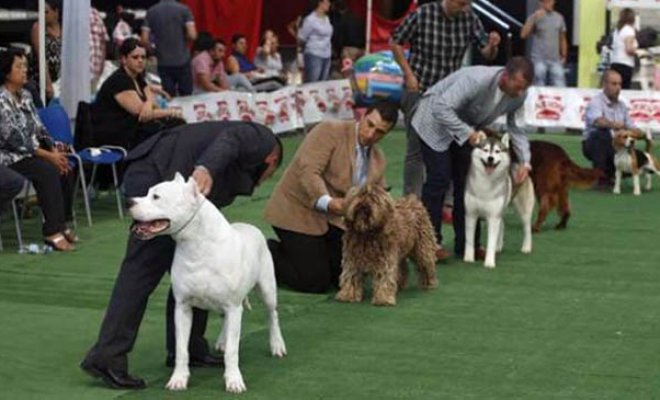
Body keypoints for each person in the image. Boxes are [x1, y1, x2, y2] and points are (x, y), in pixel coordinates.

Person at [80, 121, 283, 390]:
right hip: (157, 177)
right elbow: (231, 138)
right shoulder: (261, 137)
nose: (264, 181)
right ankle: (107, 357)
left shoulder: (241, 168)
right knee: (141, 270)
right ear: (272, 159)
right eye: (270, 174)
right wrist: (204, 168)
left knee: (194, 267)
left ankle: (190, 349)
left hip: (170, 189)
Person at [264, 102, 399, 294]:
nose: (371, 135)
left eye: (379, 132)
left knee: (342, 277)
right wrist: (328, 202)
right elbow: (308, 172)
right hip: (297, 210)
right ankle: (265, 252)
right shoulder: (329, 131)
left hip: (334, 220)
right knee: (314, 282)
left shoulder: (378, 159)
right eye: (370, 124)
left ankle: (307, 255)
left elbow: (379, 197)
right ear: (362, 115)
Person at [411, 56, 534, 260]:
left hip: (465, 129)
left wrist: (525, 161)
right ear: (506, 76)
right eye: (518, 86)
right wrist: (468, 133)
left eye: (524, 88)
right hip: (432, 120)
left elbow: (517, 128)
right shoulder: (476, 80)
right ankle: (429, 243)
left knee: (467, 182)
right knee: (439, 178)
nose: (520, 93)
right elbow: (441, 107)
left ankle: (468, 245)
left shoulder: (520, 95)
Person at [391, 0, 500, 207]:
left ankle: (447, 201)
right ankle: (410, 200)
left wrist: (492, 46)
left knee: (452, 148)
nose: (465, 8)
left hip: (452, 98)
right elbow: (395, 42)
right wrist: (408, 75)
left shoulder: (469, 17)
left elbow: (486, 53)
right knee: (416, 149)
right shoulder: (423, 13)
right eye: (461, 3)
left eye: (467, 4)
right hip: (420, 89)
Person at [0, 47, 76, 251]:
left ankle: (62, 223)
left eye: (25, 66)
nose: (24, 70)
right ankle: (51, 232)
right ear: (6, 71)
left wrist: (54, 148)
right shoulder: (1, 99)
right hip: (9, 156)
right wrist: (49, 156)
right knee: (47, 170)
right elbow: (14, 138)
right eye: (19, 66)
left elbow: (39, 127)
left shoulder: (25, 95)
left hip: (31, 152)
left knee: (65, 164)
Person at [92, 38, 183, 151]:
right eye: (135, 57)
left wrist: (149, 102)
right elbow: (142, 114)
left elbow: (148, 93)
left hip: (133, 127)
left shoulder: (137, 76)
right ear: (124, 59)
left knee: (177, 124)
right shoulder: (120, 80)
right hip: (115, 133)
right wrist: (170, 112)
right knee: (169, 128)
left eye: (143, 57)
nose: (140, 61)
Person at [583, 69, 642, 188]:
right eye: (614, 84)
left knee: (638, 158)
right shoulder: (596, 102)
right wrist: (615, 125)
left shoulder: (622, 106)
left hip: (616, 146)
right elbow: (598, 121)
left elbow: (632, 127)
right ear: (604, 85)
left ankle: (611, 174)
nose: (618, 87)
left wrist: (640, 133)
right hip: (593, 144)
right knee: (601, 134)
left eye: (620, 84)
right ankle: (599, 177)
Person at [141, 0, 197, 97]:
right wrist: (184, 40)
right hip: (182, 59)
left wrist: (153, 51)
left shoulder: (151, 11)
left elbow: (144, 40)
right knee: (187, 97)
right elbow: (192, 35)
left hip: (163, 61)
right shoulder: (184, 9)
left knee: (168, 96)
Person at [520, 0, 568, 87]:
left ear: (554, 2)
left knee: (560, 84)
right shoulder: (534, 16)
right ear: (540, 3)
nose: (547, 3)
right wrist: (534, 18)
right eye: (544, 2)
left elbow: (562, 38)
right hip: (539, 59)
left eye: (549, 1)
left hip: (555, 59)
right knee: (539, 84)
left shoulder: (559, 17)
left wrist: (564, 55)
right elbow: (523, 34)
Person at [30, 0, 62, 101]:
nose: (43, 15)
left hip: (61, 80)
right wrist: (48, 84)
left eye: (46, 12)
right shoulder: (38, 28)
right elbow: (41, 57)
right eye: (41, 12)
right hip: (44, 79)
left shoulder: (64, 27)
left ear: (55, 12)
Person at [298, 0, 333, 82]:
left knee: (323, 82)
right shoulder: (310, 19)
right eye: (327, 2)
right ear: (320, 3)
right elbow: (302, 37)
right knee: (313, 81)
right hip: (314, 53)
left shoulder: (327, 18)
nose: (329, 5)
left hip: (327, 54)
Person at [610, 8, 637, 89]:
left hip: (615, 63)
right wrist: (638, 52)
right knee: (624, 90)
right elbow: (629, 49)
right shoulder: (629, 30)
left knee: (614, 89)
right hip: (625, 65)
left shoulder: (617, 31)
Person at [90, 7, 110, 92]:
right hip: (75, 73)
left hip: (94, 70)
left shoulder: (95, 13)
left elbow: (103, 41)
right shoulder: (68, 13)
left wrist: (102, 65)